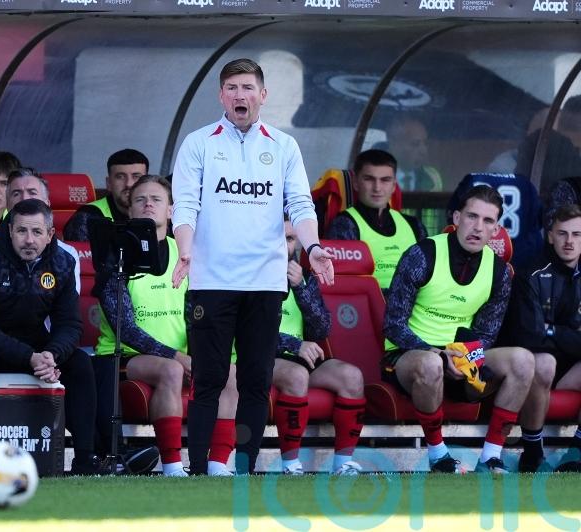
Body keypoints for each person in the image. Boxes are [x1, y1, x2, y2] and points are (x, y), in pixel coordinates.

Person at [171, 58, 334, 475]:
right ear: (221, 95)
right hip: (211, 280)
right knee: (208, 380)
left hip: (264, 282)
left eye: (248, 88)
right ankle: (199, 468)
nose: (240, 95)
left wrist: (313, 246)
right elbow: (186, 203)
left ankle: (243, 468)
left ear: (263, 94)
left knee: (255, 382)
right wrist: (186, 249)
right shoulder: (199, 142)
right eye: (232, 88)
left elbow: (300, 203)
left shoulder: (283, 146)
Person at [382, 185, 535, 474]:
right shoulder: (422, 253)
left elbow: (486, 335)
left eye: (488, 221)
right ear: (456, 217)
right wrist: (439, 354)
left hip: (462, 359)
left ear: (496, 229)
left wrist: (467, 360)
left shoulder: (500, 271)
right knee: (430, 364)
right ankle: (439, 456)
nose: (478, 227)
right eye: (472, 216)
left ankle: (490, 458)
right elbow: (393, 325)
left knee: (524, 361)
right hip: (410, 357)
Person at [94, 174, 237, 476]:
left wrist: (200, 355)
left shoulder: (185, 254)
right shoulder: (114, 256)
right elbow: (127, 328)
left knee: (230, 370)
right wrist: (177, 357)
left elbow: (198, 315)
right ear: (130, 210)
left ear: (171, 210)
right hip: (124, 356)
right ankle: (172, 466)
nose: (148, 205)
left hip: (180, 354)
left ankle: (218, 466)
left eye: (156, 199)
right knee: (171, 370)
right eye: (140, 200)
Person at [0, 199, 99, 474]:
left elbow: (70, 324)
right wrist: (29, 357)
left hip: (34, 346)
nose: (29, 240)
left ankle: (85, 459)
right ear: (10, 231)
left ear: (50, 234)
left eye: (36, 232)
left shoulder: (63, 262)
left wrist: (52, 354)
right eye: (22, 231)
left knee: (80, 363)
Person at [273, 218, 366, 475]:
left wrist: (300, 288)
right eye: (277, 238)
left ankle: (343, 464)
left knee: (352, 376)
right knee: (296, 374)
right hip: (260, 357)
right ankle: (291, 465)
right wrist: (295, 344)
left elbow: (322, 329)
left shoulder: (303, 278)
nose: (283, 245)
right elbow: (247, 330)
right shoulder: (247, 277)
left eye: (290, 239)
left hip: (299, 357)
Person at [500, 203, 581, 472]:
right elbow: (530, 334)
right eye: (562, 234)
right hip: (534, 368)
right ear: (550, 236)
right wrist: (568, 334)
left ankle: (576, 453)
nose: (569, 241)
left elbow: (542, 330)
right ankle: (533, 454)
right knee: (544, 362)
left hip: (571, 369)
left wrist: (551, 329)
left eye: (577, 234)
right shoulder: (531, 272)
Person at [325, 149, 427, 293]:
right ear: (355, 183)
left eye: (385, 180)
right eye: (369, 179)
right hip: (366, 308)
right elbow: (344, 283)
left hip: (413, 308)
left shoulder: (414, 225)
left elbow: (429, 276)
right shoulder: (344, 225)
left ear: (393, 185)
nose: (377, 188)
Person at [0, 167, 80, 294]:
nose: (24, 199)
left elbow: (66, 311)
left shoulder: (68, 255)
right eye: (16, 193)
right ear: (8, 204)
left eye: (32, 192)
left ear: (47, 203)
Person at [62, 149, 148, 241]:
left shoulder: (157, 212)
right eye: (120, 177)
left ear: (148, 182)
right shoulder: (88, 217)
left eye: (136, 176)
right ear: (109, 183)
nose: (129, 184)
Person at [386, 116, 443, 192]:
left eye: (425, 143)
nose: (424, 151)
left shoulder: (431, 176)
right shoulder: (374, 176)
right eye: (415, 144)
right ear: (394, 145)